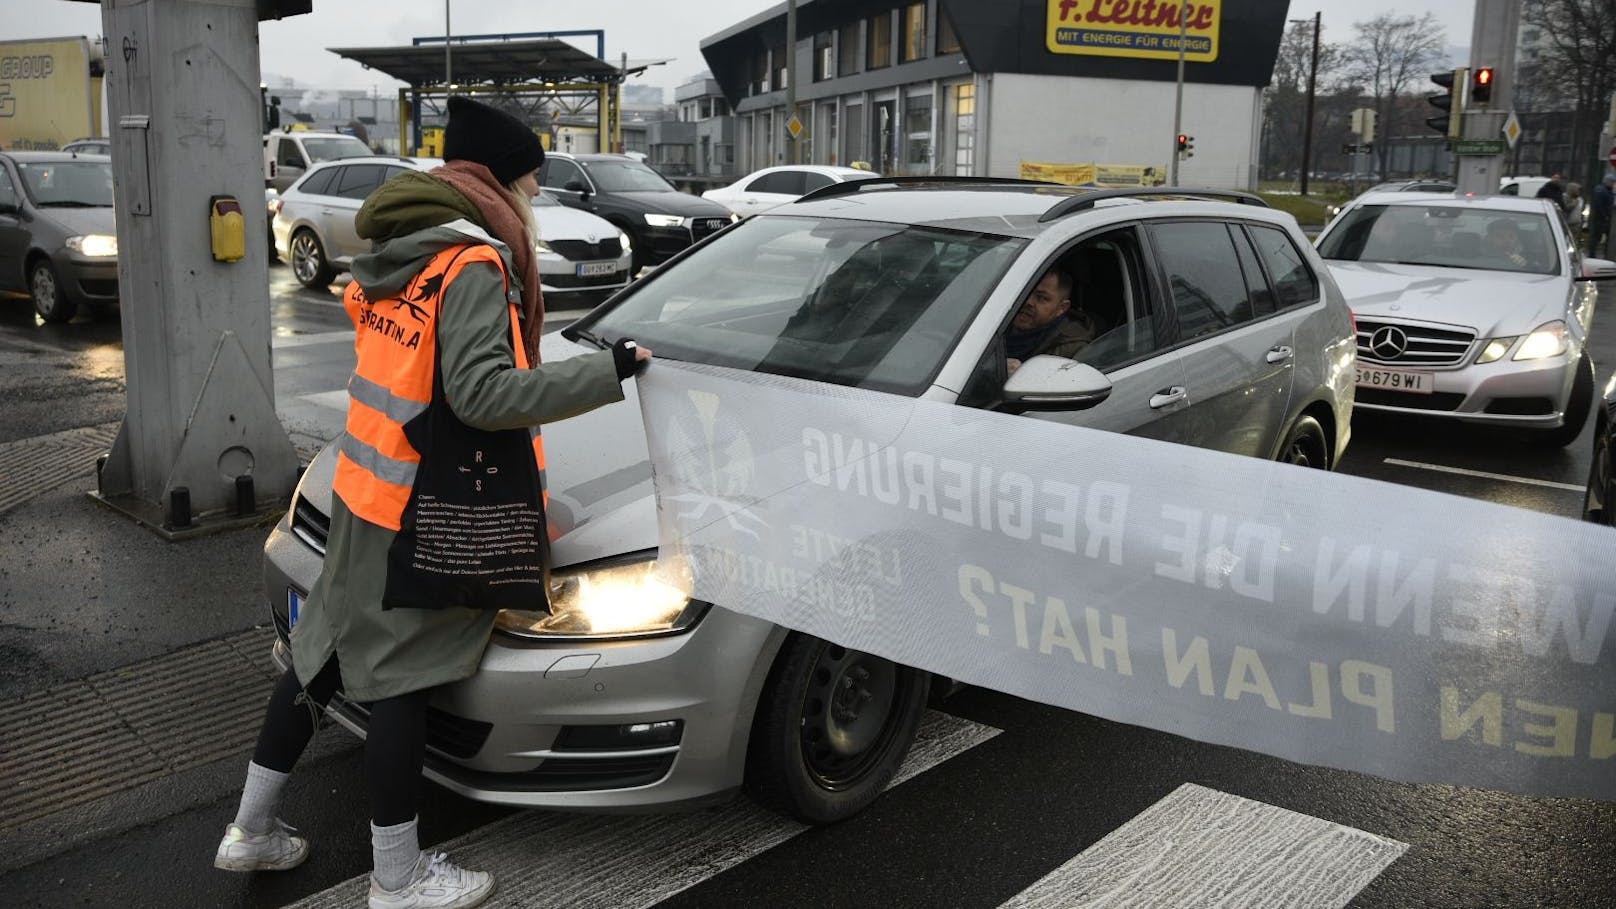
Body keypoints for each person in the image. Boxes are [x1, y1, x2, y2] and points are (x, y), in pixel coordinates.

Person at [212, 97, 650, 909]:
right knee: (400, 687)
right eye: (529, 179)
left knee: (325, 656)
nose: (531, 196)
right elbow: (483, 394)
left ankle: (251, 829)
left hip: (360, 490)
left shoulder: (401, 246)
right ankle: (399, 878)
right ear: (501, 180)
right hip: (418, 506)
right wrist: (607, 371)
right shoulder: (473, 263)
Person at [1005, 268, 1097, 372]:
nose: (1028, 302)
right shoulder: (996, 323)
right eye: (1024, 293)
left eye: (1041, 298)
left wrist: (1021, 373)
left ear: (1062, 308)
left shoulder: (1071, 351)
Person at [1589, 175, 1615, 258]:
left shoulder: (1607, 190)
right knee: (1596, 236)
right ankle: (1592, 254)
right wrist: (1605, 215)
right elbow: (1600, 205)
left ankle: (1603, 254)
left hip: (1603, 218)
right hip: (1600, 218)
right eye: (1613, 182)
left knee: (1599, 237)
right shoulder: (1601, 190)